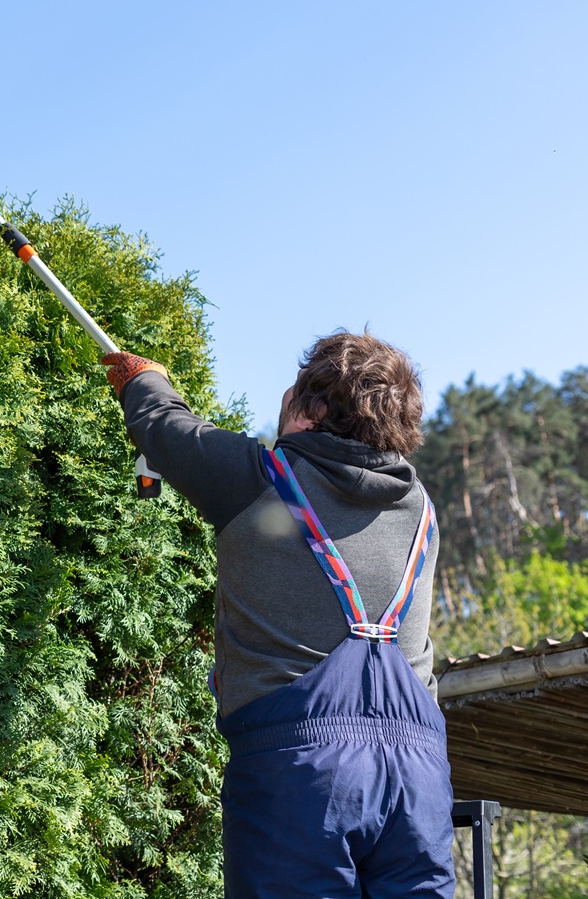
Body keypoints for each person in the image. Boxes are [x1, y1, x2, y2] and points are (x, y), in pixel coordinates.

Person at [101, 331, 454, 898]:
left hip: (301, 770)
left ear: (313, 410)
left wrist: (142, 374)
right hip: (418, 775)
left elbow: (165, 427)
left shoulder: (260, 481)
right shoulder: (422, 510)